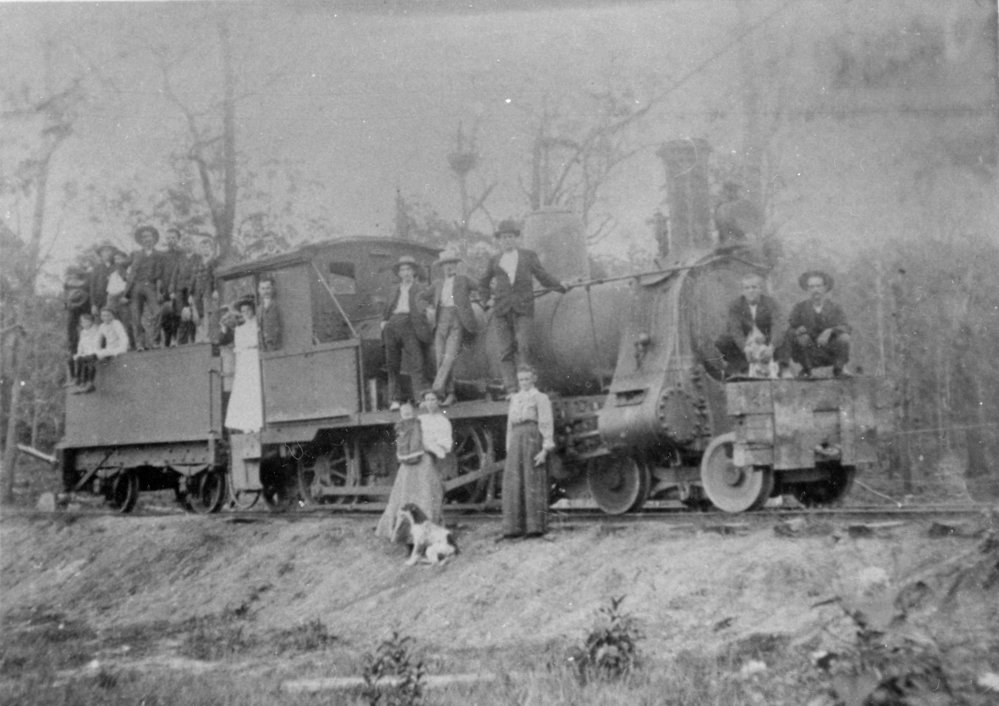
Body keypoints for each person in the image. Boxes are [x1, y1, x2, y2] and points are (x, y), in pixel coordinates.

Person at [478, 219, 566, 396]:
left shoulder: (528, 256)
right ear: (499, 240)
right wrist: (486, 301)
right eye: (504, 237)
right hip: (501, 310)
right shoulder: (494, 260)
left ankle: (527, 387)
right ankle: (511, 389)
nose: (507, 240)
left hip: (523, 309)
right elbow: (483, 282)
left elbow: (542, 276)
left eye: (510, 236)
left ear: (516, 238)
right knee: (505, 351)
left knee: (524, 346)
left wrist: (561, 286)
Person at [375, 392, 450, 544]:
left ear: (438, 402)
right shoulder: (419, 419)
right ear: (424, 403)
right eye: (427, 400)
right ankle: (401, 533)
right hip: (410, 463)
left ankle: (426, 536)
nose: (430, 403)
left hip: (426, 460)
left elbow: (446, 445)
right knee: (403, 495)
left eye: (433, 400)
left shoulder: (443, 421)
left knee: (426, 496)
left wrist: (430, 446)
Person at [502, 365, 556, 539]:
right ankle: (514, 528)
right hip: (516, 440)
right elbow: (510, 426)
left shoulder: (541, 398)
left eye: (526, 379)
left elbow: (546, 423)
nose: (524, 382)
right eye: (521, 380)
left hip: (532, 438)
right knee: (514, 482)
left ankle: (535, 527)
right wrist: (509, 448)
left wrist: (545, 449)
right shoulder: (515, 398)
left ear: (534, 379)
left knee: (532, 479)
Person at [381, 256, 433, 410]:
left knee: (417, 362)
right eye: (402, 270)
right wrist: (384, 321)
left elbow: (427, 306)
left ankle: (420, 398)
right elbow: (387, 307)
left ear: (414, 271)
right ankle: (394, 400)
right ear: (399, 273)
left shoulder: (421, 288)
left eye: (408, 269)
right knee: (392, 364)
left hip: (410, 324)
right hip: (392, 324)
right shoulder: (393, 289)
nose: (406, 273)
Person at [429, 248, 478, 406]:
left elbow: (482, 287)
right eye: (446, 264)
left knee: (449, 357)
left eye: (452, 264)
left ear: (456, 266)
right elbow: (420, 297)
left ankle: (436, 390)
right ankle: (449, 394)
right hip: (440, 322)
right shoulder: (437, 283)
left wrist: (487, 300)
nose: (449, 267)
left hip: (457, 321)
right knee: (439, 359)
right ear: (442, 267)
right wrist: (426, 309)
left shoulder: (463, 280)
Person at [714, 273, 785, 378]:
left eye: (754, 287)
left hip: (765, 340)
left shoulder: (771, 303)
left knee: (785, 336)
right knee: (723, 341)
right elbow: (735, 329)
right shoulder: (735, 305)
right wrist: (745, 347)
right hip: (747, 340)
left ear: (760, 289)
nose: (751, 291)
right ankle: (741, 367)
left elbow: (777, 325)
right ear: (742, 291)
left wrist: (771, 347)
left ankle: (783, 367)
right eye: (747, 288)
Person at [785, 270, 851, 378]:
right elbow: (789, 329)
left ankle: (839, 369)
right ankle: (808, 371)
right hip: (809, 350)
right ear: (807, 289)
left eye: (818, 286)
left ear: (825, 287)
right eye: (811, 287)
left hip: (829, 349)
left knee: (844, 337)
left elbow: (846, 327)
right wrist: (798, 331)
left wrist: (830, 331)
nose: (815, 290)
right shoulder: (799, 308)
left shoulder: (835, 307)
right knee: (800, 338)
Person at [224, 296, 264, 433]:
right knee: (245, 392)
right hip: (245, 361)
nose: (246, 313)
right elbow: (238, 349)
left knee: (256, 389)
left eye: (248, 310)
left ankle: (257, 423)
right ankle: (246, 425)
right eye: (243, 311)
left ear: (253, 310)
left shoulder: (258, 325)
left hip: (255, 357)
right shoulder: (240, 329)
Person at [124, 225, 164, 351]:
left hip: (151, 286)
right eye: (144, 237)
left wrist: (159, 290)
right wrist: (126, 278)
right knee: (136, 316)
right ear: (141, 240)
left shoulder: (159, 254)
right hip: (136, 287)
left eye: (149, 236)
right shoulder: (135, 254)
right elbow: (120, 265)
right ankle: (139, 344)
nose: (147, 239)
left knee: (157, 312)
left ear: (154, 238)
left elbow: (162, 274)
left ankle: (155, 341)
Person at [172, 235, 202, 345]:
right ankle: (182, 342)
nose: (187, 246)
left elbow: (199, 273)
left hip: (193, 289)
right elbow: (174, 275)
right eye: (184, 244)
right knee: (182, 314)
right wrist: (172, 291)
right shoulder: (180, 259)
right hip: (180, 290)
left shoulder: (198, 257)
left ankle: (193, 339)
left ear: (193, 245)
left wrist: (193, 290)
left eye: (189, 243)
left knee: (193, 313)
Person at [714, 181, 763, 249]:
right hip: (730, 244)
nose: (732, 193)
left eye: (734, 190)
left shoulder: (743, 205)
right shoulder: (722, 207)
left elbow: (755, 221)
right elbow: (721, 227)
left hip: (740, 243)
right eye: (730, 190)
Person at [159, 228, 184, 347]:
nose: (171, 240)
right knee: (166, 314)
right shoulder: (163, 255)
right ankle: (167, 341)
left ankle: (176, 339)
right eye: (168, 238)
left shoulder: (182, 253)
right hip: (166, 289)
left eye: (173, 238)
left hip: (179, 288)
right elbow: (160, 272)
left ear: (178, 239)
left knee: (177, 314)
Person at [68, 312, 101, 393]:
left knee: (83, 360)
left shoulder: (96, 330)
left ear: (89, 322)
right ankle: (76, 379)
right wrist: (79, 353)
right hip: (85, 353)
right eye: (81, 321)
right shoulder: (83, 332)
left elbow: (96, 345)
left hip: (94, 352)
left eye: (83, 321)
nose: (81, 323)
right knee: (71, 359)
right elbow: (81, 344)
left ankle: (87, 383)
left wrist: (84, 354)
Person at [89, 241, 119, 317]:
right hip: (100, 302)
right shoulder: (97, 268)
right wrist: (93, 305)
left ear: (113, 253)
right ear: (101, 254)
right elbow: (93, 287)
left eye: (109, 251)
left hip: (115, 302)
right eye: (105, 251)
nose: (107, 253)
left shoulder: (118, 267)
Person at [257, 276, 283, 352]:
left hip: (277, 346)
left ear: (273, 289)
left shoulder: (278, 305)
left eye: (268, 288)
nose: (265, 291)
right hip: (264, 348)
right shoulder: (259, 309)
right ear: (259, 290)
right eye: (263, 289)